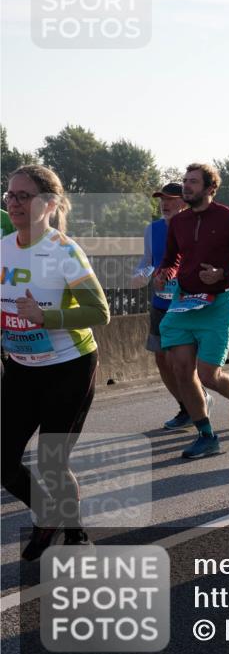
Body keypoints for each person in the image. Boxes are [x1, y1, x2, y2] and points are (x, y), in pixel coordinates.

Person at [1, 165, 110, 559]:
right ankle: (46, 514)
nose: (13, 203)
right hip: (21, 366)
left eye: (23, 196)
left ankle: (75, 531)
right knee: (4, 460)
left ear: (48, 204)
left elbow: (100, 312)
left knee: (51, 460)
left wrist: (47, 317)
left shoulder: (64, 250)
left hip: (69, 365)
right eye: (9, 195)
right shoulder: (2, 247)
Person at [153, 163, 229, 460]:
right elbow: (172, 257)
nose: (186, 187)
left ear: (210, 188)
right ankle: (206, 435)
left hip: (218, 303)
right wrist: (166, 272)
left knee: (208, 374)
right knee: (181, 369)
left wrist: (223, 273)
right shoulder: (179, 222)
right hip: (184, 301)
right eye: (185, 181)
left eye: (193, 182)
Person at [132, 182, 212, 429]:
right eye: (161, 200)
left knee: (179, 362)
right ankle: (186, 406)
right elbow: (148, 260)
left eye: (170, 199)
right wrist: (141, 274)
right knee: (161, 360)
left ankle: (196, 403)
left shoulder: (196, 227)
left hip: (186, 304)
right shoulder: (152, 229)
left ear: (183, 202)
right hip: (160, 303)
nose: (164, 204)